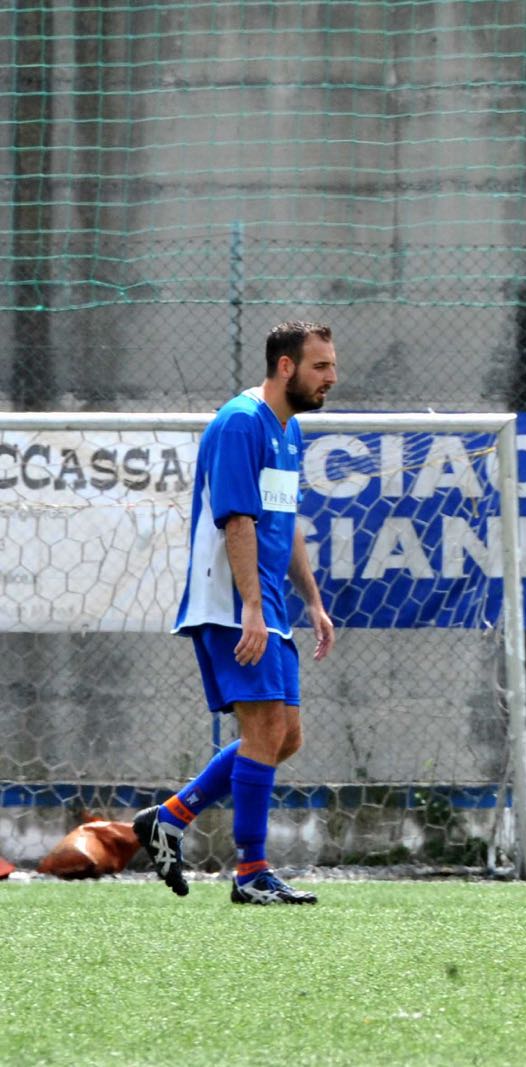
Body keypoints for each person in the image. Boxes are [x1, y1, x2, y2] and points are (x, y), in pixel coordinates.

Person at [133, 321, 338, 905]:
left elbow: (283, 519)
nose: (332, 377)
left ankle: (169, 818)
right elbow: (237, 520)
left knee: (284, 736)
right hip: (231, 601)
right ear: (285, 367)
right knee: (265, 729)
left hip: (264, 599)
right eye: (321, 366)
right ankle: (251, 872)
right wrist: (250, 605)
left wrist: (314, 601)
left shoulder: (287, 427)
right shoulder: (240, 423)